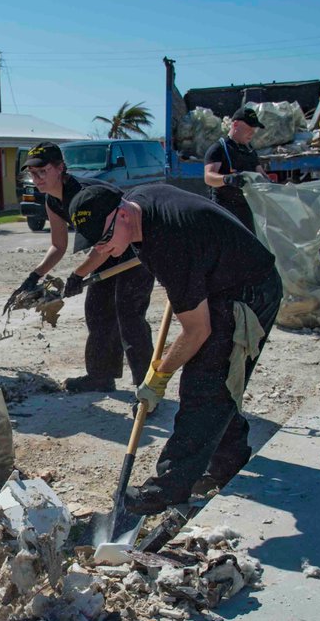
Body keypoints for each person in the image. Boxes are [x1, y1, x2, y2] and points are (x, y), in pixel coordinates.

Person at [67, 183, 282, 512]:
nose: (102, 248)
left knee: (206, 383)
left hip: (249, 290)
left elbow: (197, 330)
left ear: (122, 215)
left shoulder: (168, 243)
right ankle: (229, 461)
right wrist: (79, 273)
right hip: (220, 277)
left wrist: (158, 375)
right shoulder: (134, 207)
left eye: (104, 239)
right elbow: (106, 243)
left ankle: (167, 488)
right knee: (216, 384)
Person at [7, 141, 155, 393]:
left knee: (129, 314)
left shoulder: (84, 193)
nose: (37, 178)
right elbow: (58, 245)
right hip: (105, 251)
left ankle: (147, 386)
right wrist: (34, 276)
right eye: (32, 173)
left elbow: (105, 244)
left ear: (60, 168)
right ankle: (101, 376)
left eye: (43, 171)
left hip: (134, 250)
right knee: (97, 311)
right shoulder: (52, 200)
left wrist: (78, 274)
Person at [203, 107, 268, 233]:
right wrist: (227, 179)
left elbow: (261, 174)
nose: (252, 132)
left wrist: (272, 185)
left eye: (254, 129)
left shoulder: (250, 151)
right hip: (225, 210)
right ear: (235, 124)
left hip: (247, 209)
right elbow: (209, 177)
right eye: (249, 128)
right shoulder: (219, 149)